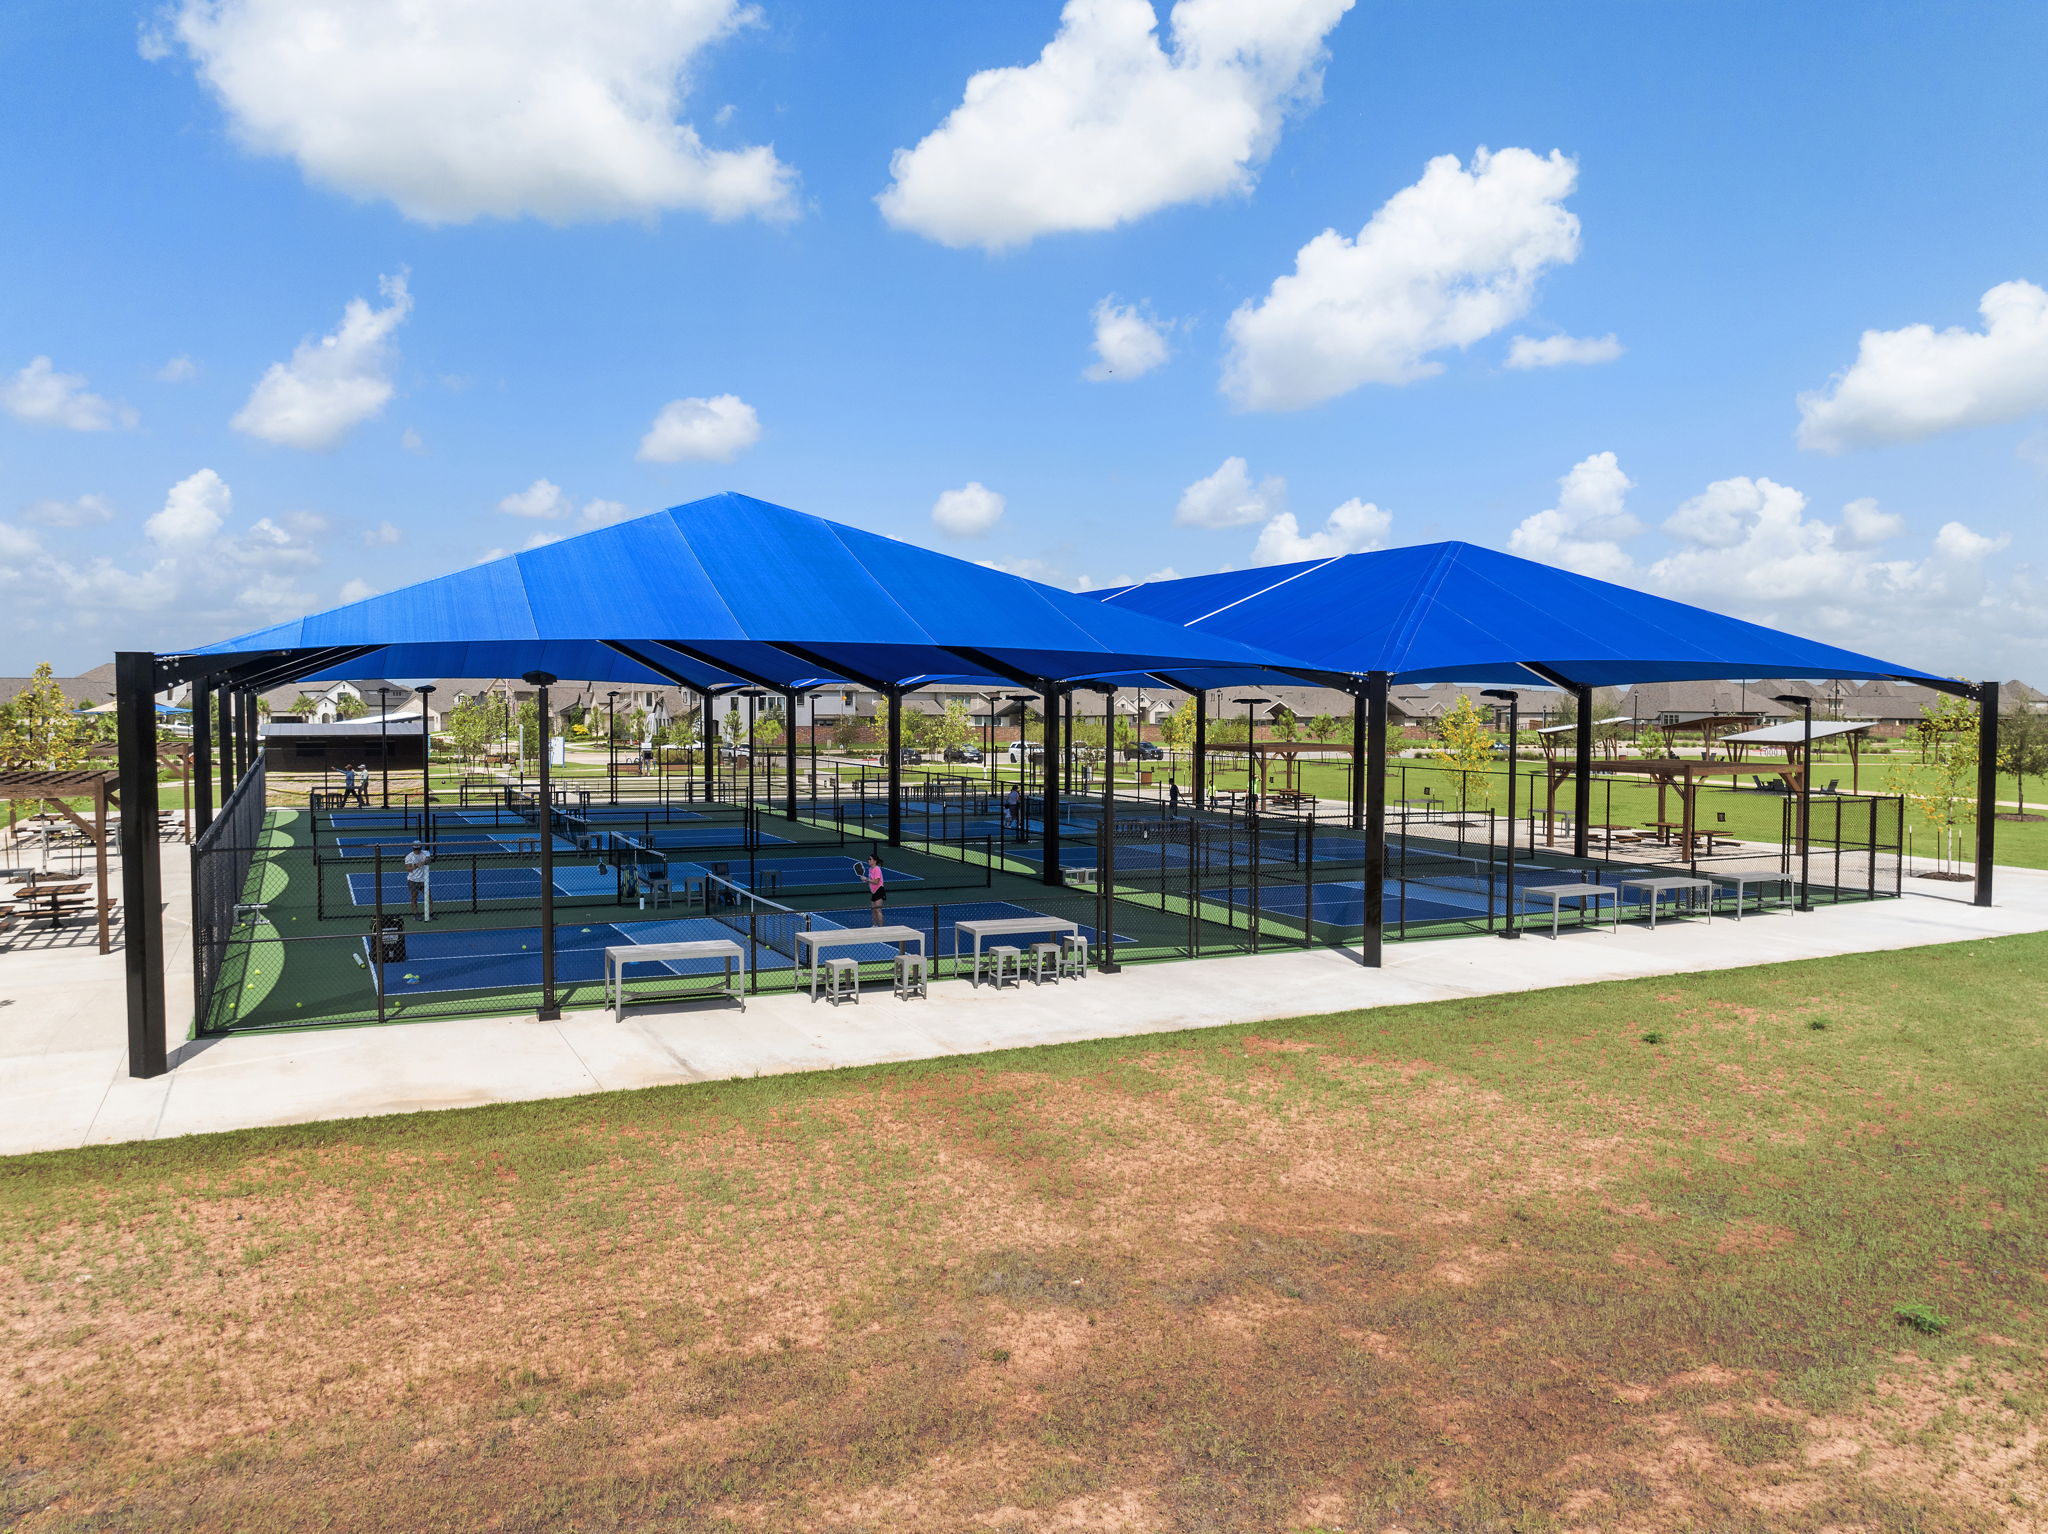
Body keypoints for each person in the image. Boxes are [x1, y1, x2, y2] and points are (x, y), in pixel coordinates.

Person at [404, 839, 433, 915]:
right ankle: (415, 913)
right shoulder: (409, 857)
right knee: (414, 897)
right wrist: (417, 865)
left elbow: (428, 860)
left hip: (424, 880)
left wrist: (423, 862)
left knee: (428, 897)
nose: (417, 850)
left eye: (418, 849)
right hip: (413, 880)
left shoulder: (426, 853)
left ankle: (430, 913)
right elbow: (408, 869)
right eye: (415, 849)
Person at [865, 849, 886, 926]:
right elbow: (871, 880)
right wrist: (866, 880)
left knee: (878, 910)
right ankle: (874, 926)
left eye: (870, 859)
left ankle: (881, 928)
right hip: (873, 891)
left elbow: (876, 881)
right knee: (873, 910)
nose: (868, 860)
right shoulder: (870, 869)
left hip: (879, 890)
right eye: (868, 859)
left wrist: (867, 879)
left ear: (875, 861)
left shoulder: (877, 869)